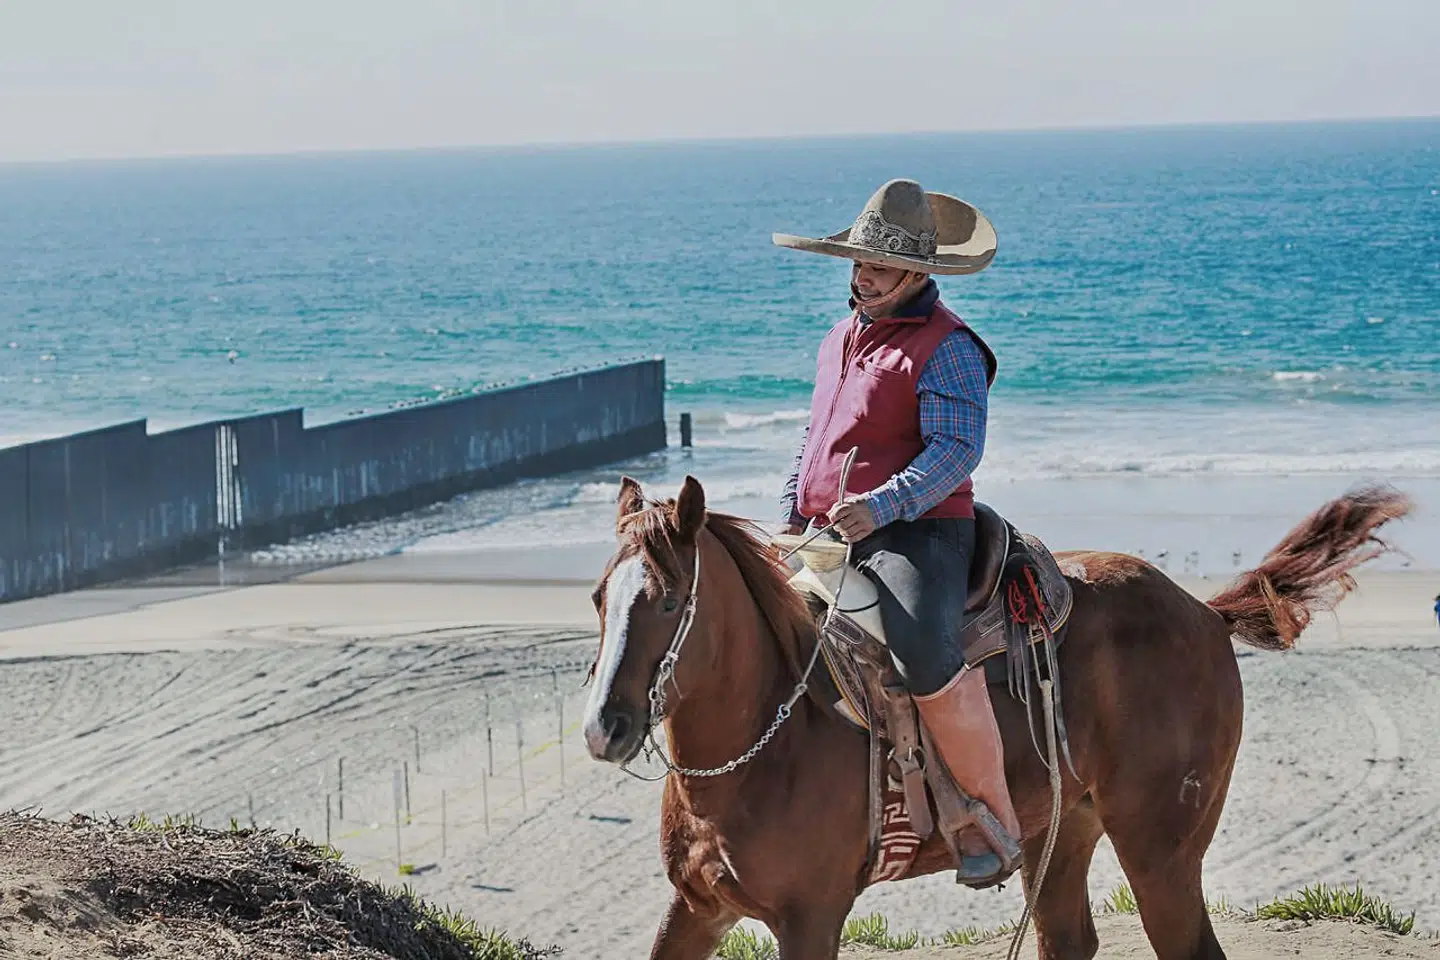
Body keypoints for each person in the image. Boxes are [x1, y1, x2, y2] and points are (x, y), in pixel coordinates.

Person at [772, 179, 1017, 884]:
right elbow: (815, 438)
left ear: (917, 274)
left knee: (918, 641)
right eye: (857, 261)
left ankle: (982, 814)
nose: (861, 274)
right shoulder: (839, 340)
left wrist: (880, 506)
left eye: (877, 264)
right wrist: (792, 507)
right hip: (831, 529)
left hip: (922, 536)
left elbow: (955, 452)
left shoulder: (949, 347)